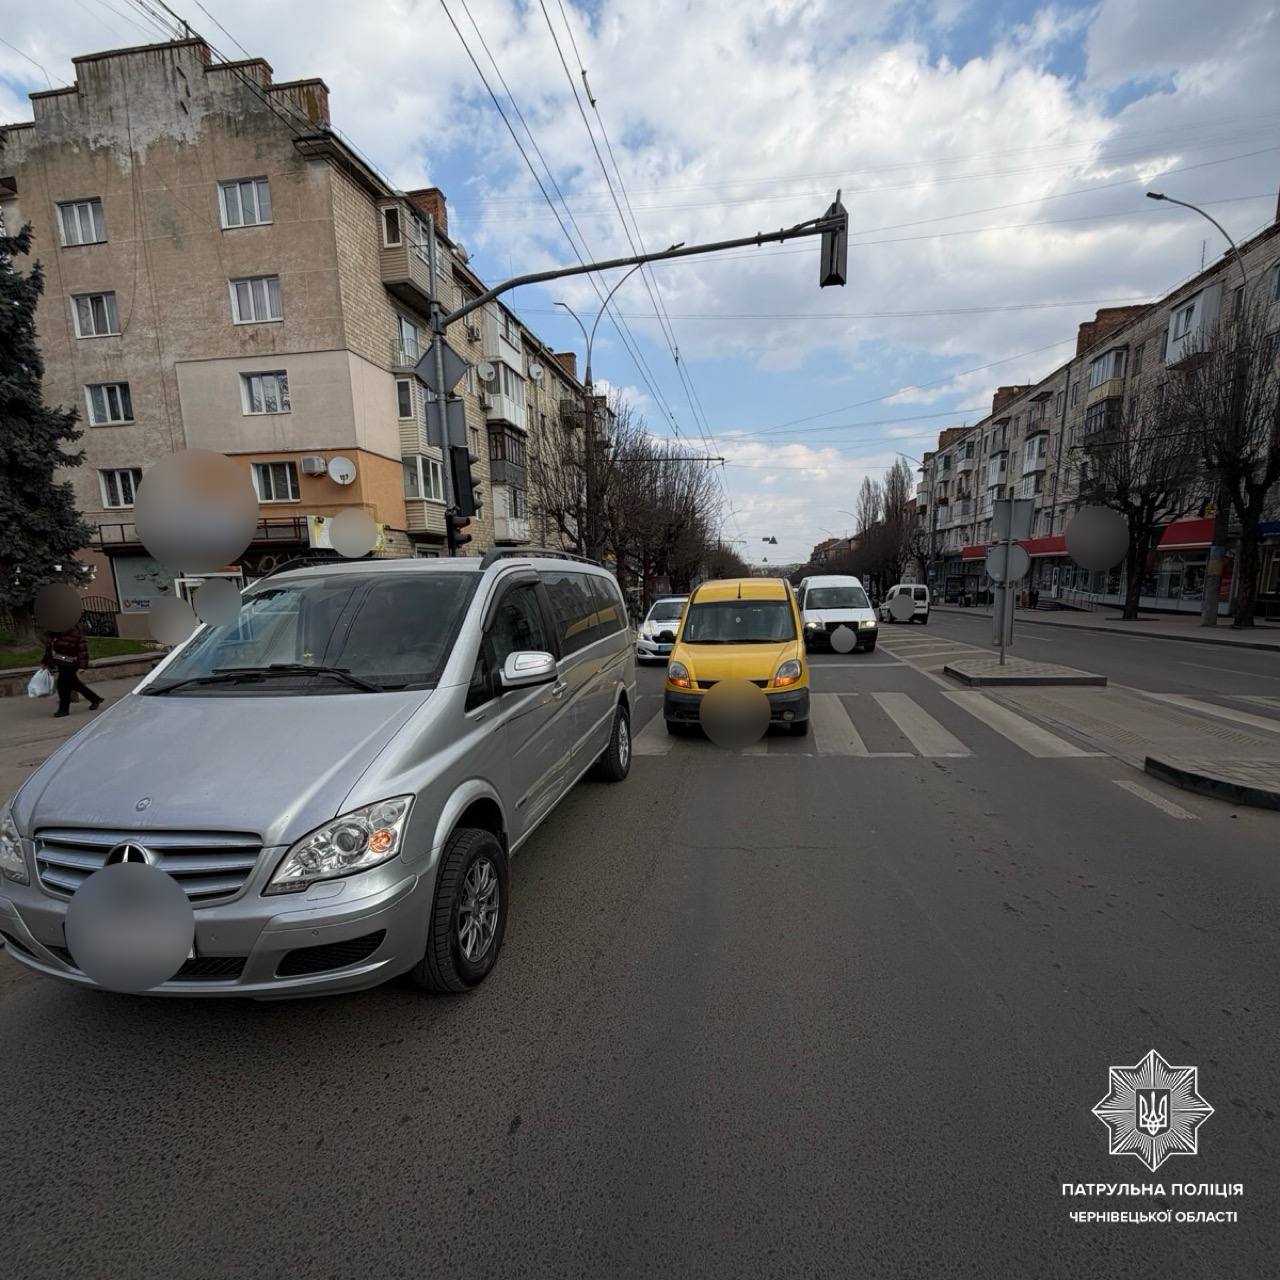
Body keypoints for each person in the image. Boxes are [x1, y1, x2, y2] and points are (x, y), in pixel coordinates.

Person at [43, 622, 103, 718]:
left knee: (62, 685)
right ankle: (95, 699)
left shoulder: (74, 631)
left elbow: (82, 650)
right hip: (61, 662)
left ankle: (63, 709)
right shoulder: (54, 632)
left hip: (71, 663)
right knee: (74, 684)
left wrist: (82, 666)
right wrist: (47, 662)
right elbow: (50, 648)